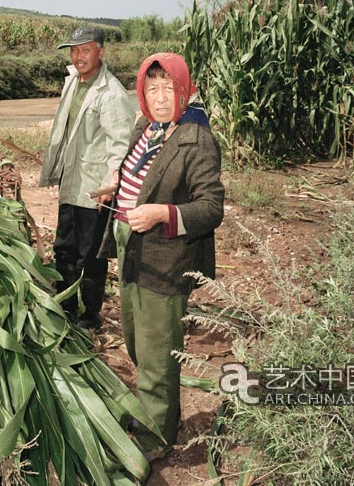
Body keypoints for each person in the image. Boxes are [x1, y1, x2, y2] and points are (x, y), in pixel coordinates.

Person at [98, 52, 224, 472]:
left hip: (166, 259)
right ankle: (151, 410)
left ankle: (156, 436)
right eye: (152, 88)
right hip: (133, 251)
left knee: (157, 352)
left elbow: (211, 207)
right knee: (136, 340)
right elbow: (140, 177)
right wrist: (116, 188)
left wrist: (162, 214)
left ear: (183, 89)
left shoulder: (196, 139)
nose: (160, 97)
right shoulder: (145, 127)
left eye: (168, 88)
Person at [39, 25, 135, 329]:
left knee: (90, 255)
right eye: (74, 50)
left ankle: (89, 317)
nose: (78, 56)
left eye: (85, 49)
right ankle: (64, 306)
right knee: (64, 248)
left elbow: (120, 145)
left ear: (101, 52)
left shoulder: (112, 93)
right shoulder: (73, 82)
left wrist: (111, 185)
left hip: (95, 190)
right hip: (72, 182)